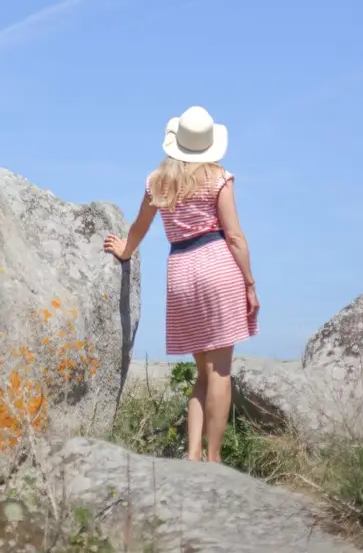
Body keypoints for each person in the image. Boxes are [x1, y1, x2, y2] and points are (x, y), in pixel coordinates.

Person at [104, 105, 259, 463]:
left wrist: (125, 250)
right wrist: (250, 284)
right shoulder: (219, 178)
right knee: (220, 372)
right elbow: (235, 237)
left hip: (181, 271)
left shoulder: (158, 181)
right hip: (217, 266)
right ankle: (213, 459)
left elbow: (140, 226)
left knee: (202, 373)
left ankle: (192, 454)